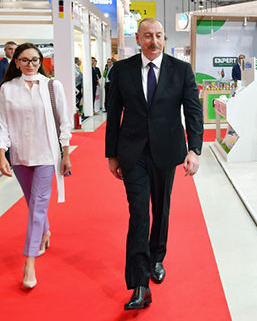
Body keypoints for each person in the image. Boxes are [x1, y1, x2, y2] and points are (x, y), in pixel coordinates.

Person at [105, 18, 204, 310]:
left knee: (161, 208)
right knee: (138, 213)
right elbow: (113, 113)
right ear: (138, 39)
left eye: (159, 35)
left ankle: (156, 257)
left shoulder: (181, 70)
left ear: (164, 38)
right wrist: (112, 154)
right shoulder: (122, 70)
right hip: (132, 151)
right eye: (147, 36)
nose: (154, 41)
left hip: (167, 149)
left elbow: (193, 112)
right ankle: (140, 284)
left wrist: (194, 149)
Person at [0, 42, 72, 289]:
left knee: (38, 204)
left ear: (41, 61)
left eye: (35, 60)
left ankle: (29, 262)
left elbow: (64, 121)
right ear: (16, 62)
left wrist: (66, 153)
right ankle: (45, 232)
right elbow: (1, 124)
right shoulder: (8, 89)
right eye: (25, 60)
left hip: (46, 154)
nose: (31, 64)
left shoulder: (52, 86)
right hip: (19, 156)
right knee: (32, 201)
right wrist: (2, 154)